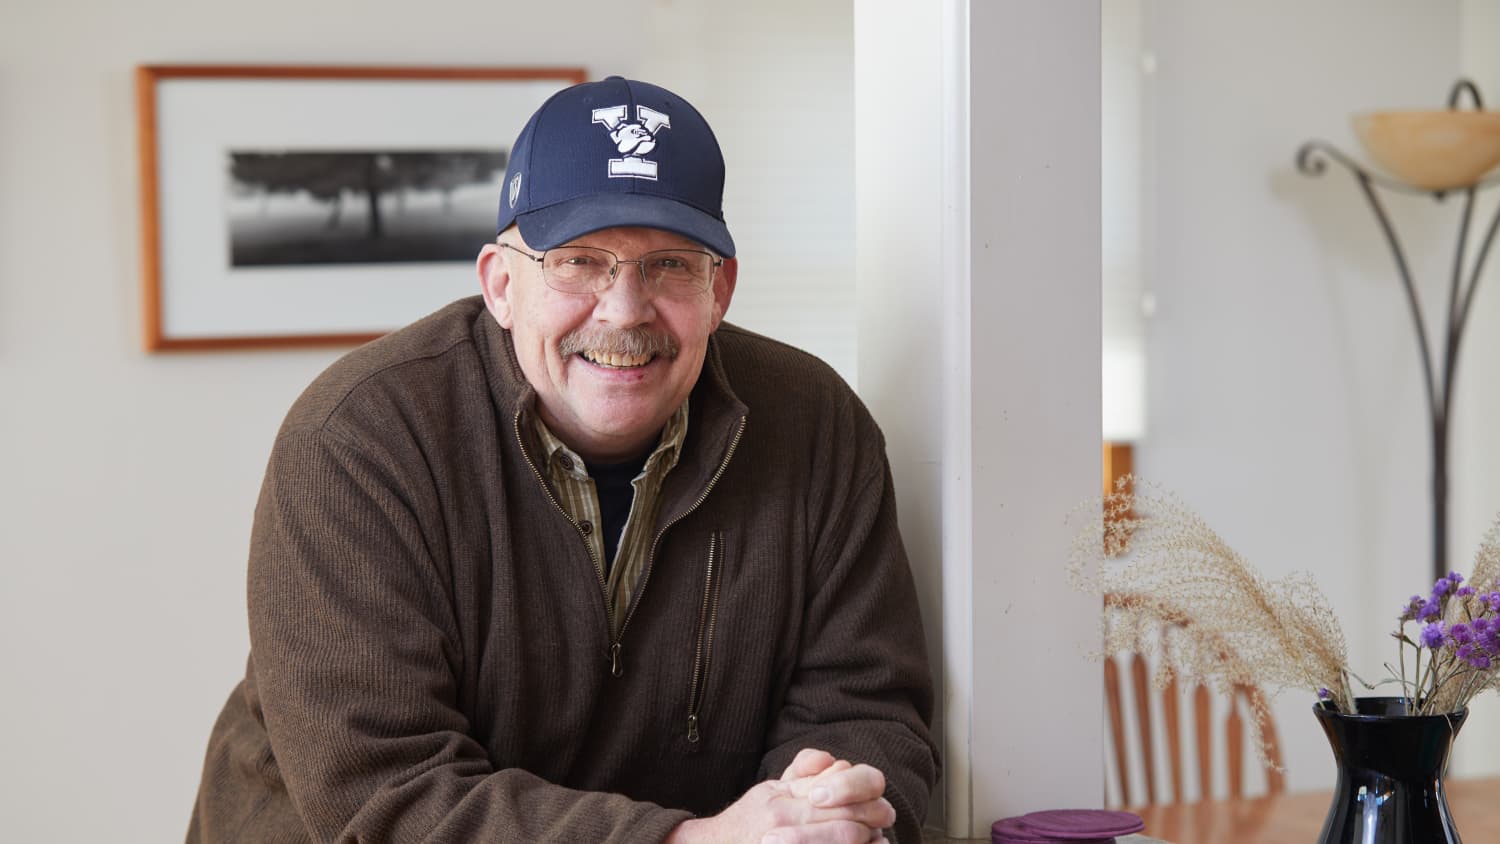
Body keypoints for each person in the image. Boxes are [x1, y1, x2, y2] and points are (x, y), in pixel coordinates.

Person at [188, 76, 938, 844]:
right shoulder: (358, 442)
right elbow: (386, 793)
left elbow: (866, 705)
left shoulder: (816, 425)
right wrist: (688, 842)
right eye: (579, 261)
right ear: (500, 284)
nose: (624, 311)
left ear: (722, 290)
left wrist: (828, 813)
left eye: (671, 265)